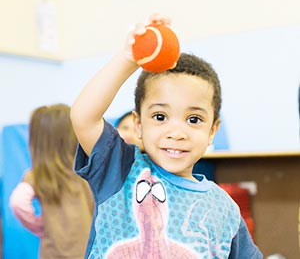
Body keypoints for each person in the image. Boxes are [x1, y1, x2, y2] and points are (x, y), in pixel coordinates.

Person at [70, 13, 263, 258]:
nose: (176, 132)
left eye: (193, 120)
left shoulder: (224, 209)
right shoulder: (120, 170)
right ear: (138, 124)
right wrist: (127, 59)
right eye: (160, 117)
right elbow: (83, 117)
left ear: (212, 130)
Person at [10, 104, 93, 259]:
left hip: (54, 253)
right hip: (88, 252)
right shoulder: (84, 170)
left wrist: (40, 226)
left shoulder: (38, 175)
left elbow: (18, 202)